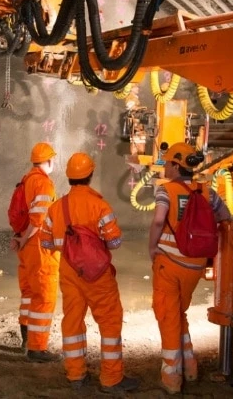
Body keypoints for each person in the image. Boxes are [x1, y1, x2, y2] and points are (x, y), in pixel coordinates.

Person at [41, 153, 139, 393]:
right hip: (97, 274)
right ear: (91, 175)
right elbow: (114, 242)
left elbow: (45, 242)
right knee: (109, 321)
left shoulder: (56, 207)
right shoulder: (100, 205)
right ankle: (111, 378)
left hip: (69, 271)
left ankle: (76, 375)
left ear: (69, 177)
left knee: (72, 321)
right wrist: (94, 247)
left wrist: (70, 248)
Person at [148, 142, 231, 394]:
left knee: (167, 315)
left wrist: (152, 247)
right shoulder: (207, 192)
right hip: (195, 266)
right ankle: (190, 366)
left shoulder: (166, 190)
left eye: (167, 163)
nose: (165, 168)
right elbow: (225, 217)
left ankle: (171, 376)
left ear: (176, 165)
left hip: (169, 264)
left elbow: (159, 221)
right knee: (179, 313)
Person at [10, 142, 61, 362]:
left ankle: (26, 339)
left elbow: (21, 214)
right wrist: (24, 240)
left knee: (29, 293)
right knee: (44, 295)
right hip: (39, 246)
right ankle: (37, 348)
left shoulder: (26, 180)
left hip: (27, 247)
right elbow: (38, 219)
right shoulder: (43, 183)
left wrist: (19, 238)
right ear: (48, 161)